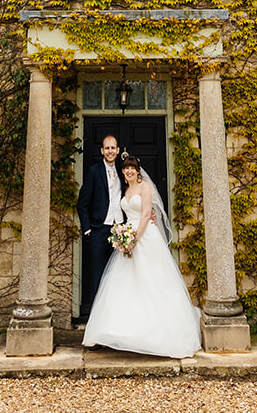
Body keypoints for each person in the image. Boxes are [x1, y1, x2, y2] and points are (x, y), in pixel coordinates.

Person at [82, 153, 202, 358]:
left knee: (151, 280)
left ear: (138, 170)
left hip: (145, 236)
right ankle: (118, 333)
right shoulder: (126, 189)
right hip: (128, 235)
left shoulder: (144, 186)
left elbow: (147, 213)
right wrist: (123, 238)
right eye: (126, 168)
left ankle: (159, 333)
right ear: (123, 171)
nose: (129, 171)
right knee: (124, 283)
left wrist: (136, 238)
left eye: (133, 168)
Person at [75, 134, 123, 325]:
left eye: (113, 148)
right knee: (97, 278)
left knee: (120, 277)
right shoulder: (94, 171)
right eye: (107, 148)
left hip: (120, 231)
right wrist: (88, 230)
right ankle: (96, 326)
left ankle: (117, 323)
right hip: (98, 231)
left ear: (118, 150)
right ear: (102, 151)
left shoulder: (123, 170)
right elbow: (82, 203)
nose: (110, 151)